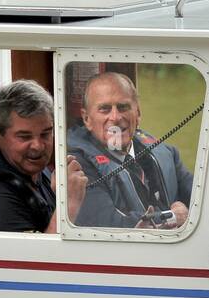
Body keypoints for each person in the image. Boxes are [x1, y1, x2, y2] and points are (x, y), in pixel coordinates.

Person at [0, 79, 86, 233]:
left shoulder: (31, 169)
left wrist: (58, 194)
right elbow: (35, 257)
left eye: (46, 133)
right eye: (24, 137)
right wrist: (69, 203)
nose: (38, 146)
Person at [66, 71, 193, 229]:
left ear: (138, 113)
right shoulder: (77, 166)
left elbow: (202, 200)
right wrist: (173, 217)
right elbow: (108, 224)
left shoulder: (167, 153)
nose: (115, 117)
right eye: (104, 109)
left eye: (123, 107)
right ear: (87, 119)